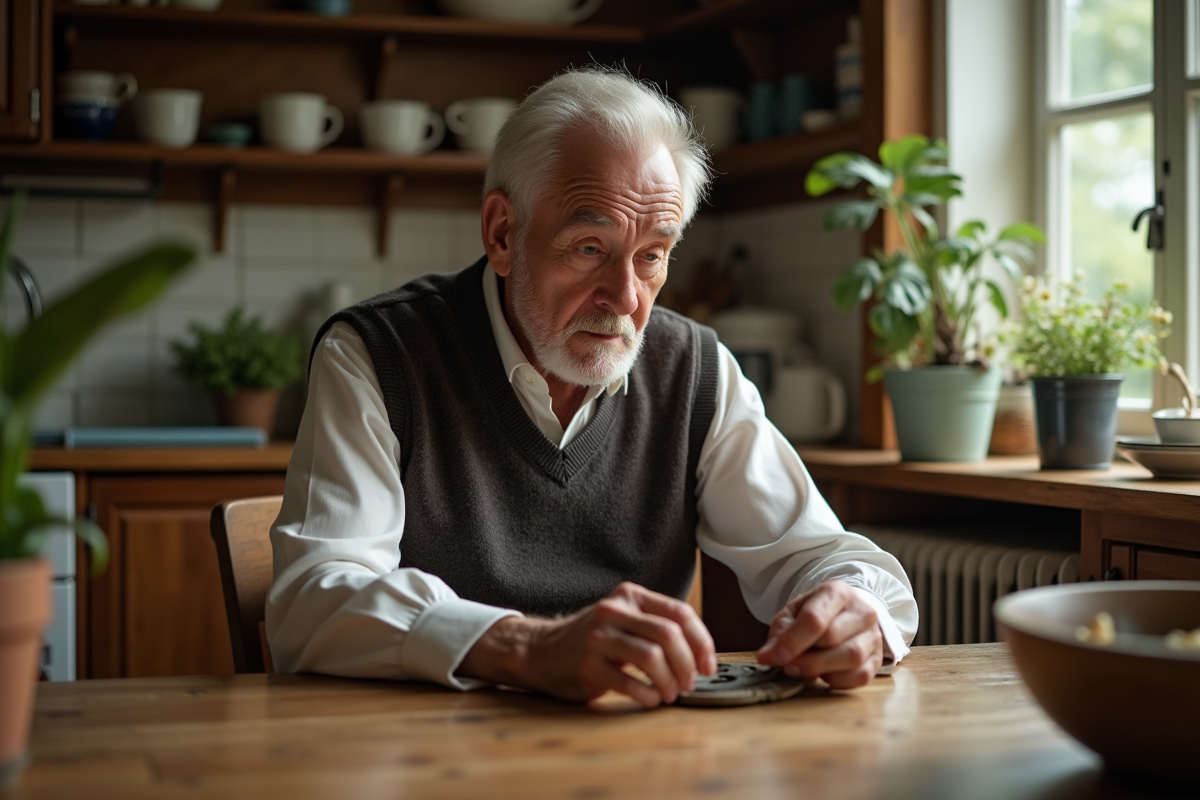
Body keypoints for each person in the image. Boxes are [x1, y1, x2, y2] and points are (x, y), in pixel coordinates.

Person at [266, 67, 917, 708]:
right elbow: (313, 600)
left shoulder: (694, 369)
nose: (625, 299)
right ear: (502, 234)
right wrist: (523, 647)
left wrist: (854, 610)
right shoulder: (378, 357)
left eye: (652, 254)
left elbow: (837, 565)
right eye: (588, 248)